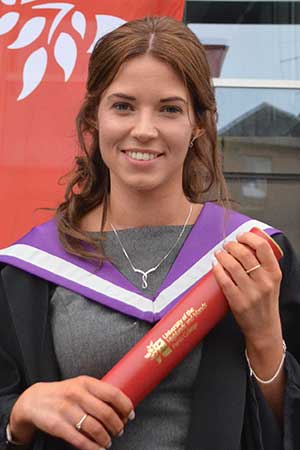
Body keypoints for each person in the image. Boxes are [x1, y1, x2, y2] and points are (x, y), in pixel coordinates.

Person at [0, 16, 299, 450]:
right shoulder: (31, 269)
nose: (144, 129)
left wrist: (266, 339)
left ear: (198, 123)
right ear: (94, 117)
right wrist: (23, 410)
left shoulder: (256, 257)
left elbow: (284, 422)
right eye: (123, 106)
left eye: (169, 109)